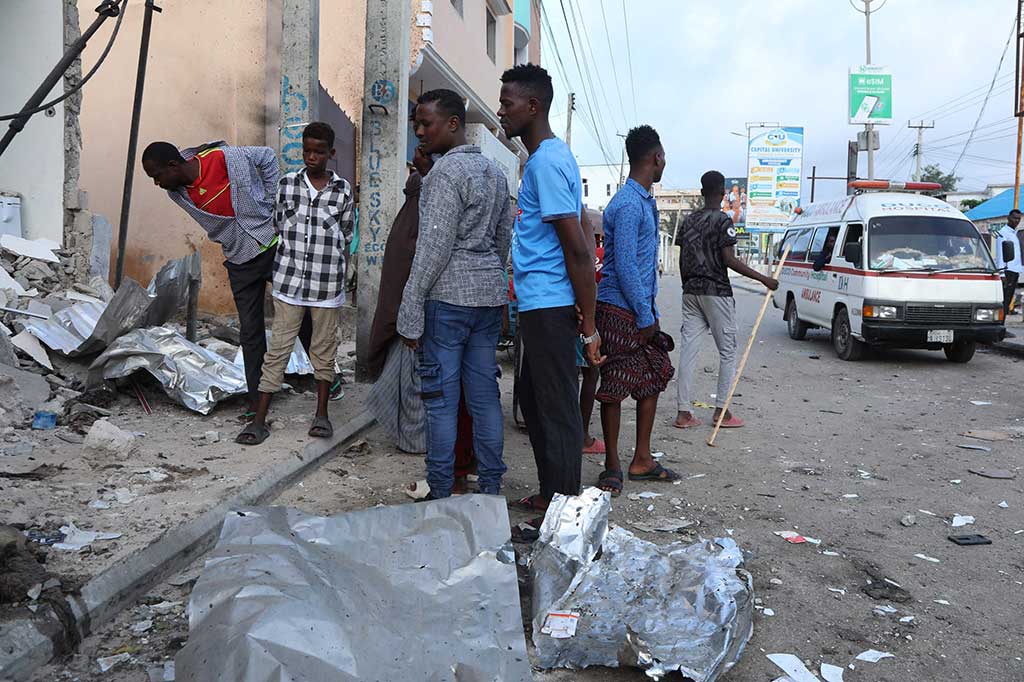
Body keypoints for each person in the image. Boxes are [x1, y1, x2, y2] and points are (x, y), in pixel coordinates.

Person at [141, 139, 340, 420]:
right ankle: (257, 400)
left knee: (302, 314)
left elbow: (268, 157)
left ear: (173, 166)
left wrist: (273, 201)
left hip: (273, 245)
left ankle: (328, 378)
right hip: (238, 258)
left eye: (157, 176)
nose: (157, 184)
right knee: (250, 330)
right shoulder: (177, 194)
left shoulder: (224, 158)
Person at [397, 88, 513, 500]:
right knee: (483, 397)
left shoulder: (444, 176)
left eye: (426, 125)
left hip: (447, 302)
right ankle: (491, 488)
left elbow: (432, 249)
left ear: (453, 124)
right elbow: (503, 240)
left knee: (441, 402)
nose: (420, 134)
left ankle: (442, 490)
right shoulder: (496, 174)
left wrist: (409, 311)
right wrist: (492, 283)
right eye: (417, 126)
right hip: (485, 298)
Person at [498, 63, 603, 514]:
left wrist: (590, 323)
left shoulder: (546, 162)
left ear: (533, 106)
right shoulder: (546, 160)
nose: (501, 111)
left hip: (549, 305)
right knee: (536, 406)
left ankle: (563, 516)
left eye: (507, 103)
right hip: (539, 303)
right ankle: (550, 496)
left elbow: (579, 249)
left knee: (556, 412)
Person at [234, 122, 353, 444]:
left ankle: (322, 414)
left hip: (326, 286)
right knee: (278, 351)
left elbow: (346, 234)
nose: (312, 157)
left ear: (331, 153)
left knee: (323, 351)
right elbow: (277, 224)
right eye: (307, 151)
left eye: (318, 151)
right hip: (288, 283)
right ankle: (259, 420)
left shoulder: (342, 190)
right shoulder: (287, 185)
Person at [593, 125, 677, 496]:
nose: (664, 163)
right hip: (619, 307)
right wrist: (645, 315)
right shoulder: (628, 205)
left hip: (638, 306)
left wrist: (649, 310)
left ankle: (641, 458)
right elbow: (625, 266)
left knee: (655, 372)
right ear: (655, 158)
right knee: (614, 385)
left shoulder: (643, 201)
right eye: (663, 156)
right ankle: (612, 465)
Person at [673, 170, 778, 430]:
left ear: (701, 192)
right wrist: (764, 279)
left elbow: (682, 257)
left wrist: (687, 284)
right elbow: (729, 259)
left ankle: (683, 413)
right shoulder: (722, 221)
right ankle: (722, 412)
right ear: (722, 194)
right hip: (717, 293)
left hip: (691, 291)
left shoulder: (687, 221)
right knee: (728, 352)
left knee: (688, 351)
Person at [580, 213, 605, 457]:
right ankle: (583, 435)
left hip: (571, 315)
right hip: (591, 321)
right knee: (591, 374)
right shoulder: (602, 256)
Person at [994, 209, 1022, 315]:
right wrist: (1002, 273)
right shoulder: (1003, 233)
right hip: (1007, 271)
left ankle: (1003, 323)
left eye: (1018, 219)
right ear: (1008, 218)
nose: (1016, 221)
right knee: (1004, 300)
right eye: (1014, 218)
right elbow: (1000, 253)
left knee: (1009, 299)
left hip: (1014, 270)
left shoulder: (1015, 234)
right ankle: (1000, 325)